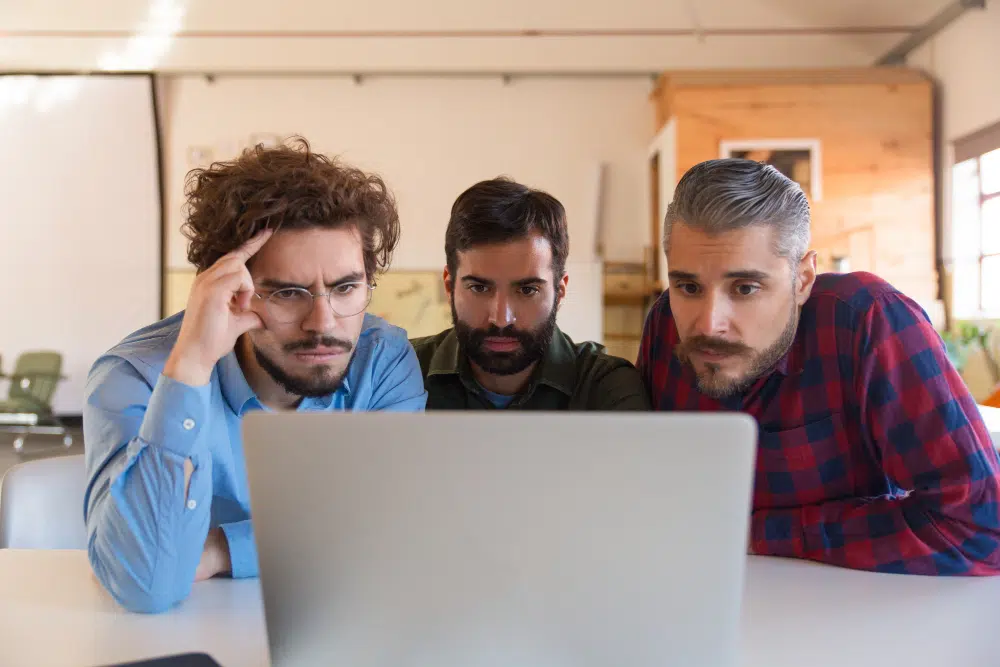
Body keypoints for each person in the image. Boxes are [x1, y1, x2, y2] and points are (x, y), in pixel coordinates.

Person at [83, 138, 427, 613]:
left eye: (346, 288)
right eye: (288, 293)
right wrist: (190, 368)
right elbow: (149, 584)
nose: (323, 323)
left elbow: (389, 526)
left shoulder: (383, 360)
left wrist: (223, 549)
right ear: (228, 287)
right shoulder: (134, 378)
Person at [638, 158, 1000, 576]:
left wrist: (757, 535)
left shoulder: (868, 321)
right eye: (688, 287)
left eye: (745, 288)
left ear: (804, 279)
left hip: (857, 612)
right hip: (695, 590)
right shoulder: (665, 323)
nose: (707, 323)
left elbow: (981, 527)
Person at [411, 177, 649, 410]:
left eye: (527, 290)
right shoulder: (399, 373)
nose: (501, 318)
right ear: (449, 286)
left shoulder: (607, 387)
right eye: (479, 288)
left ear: (560, 290)